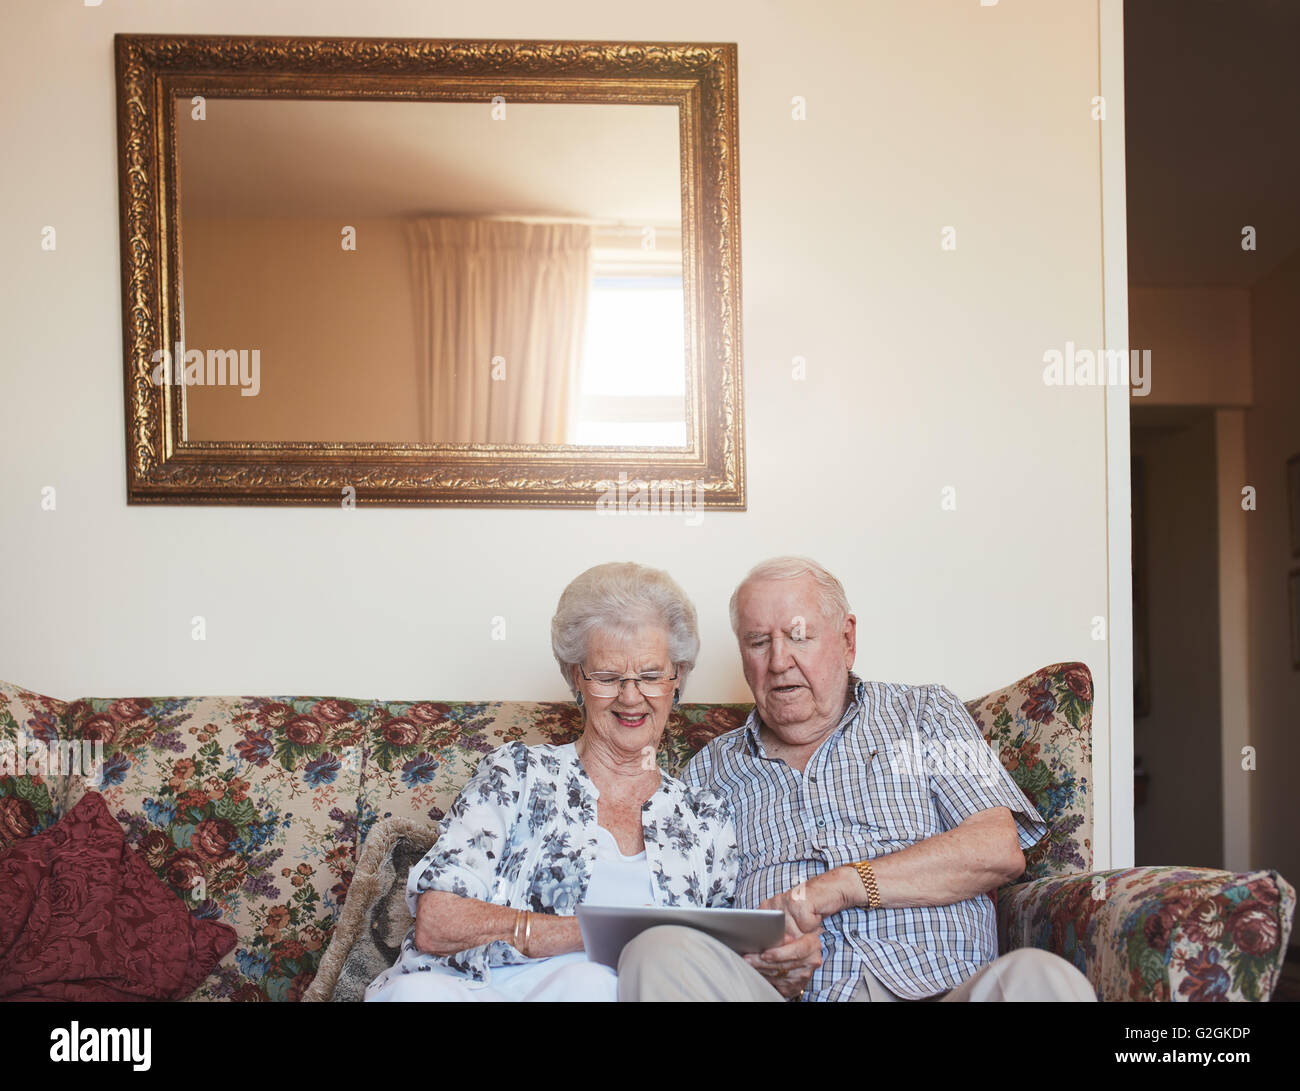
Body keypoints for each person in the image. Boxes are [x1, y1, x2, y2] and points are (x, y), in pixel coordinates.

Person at [616, 556, 1096, 1002]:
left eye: (799, 635)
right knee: (658, 952)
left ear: (847, 640)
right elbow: (697, 915)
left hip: (943, 989)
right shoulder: (708, 771)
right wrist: (762, 963)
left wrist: (842, 885)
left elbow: (996, 848)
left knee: (1041, 980)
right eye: (759, 641)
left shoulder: (926, 714)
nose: (779, 660)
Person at [365, 561, 737, 1002]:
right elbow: (437, 922)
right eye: (607, 676)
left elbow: (723, 963)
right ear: (575, 678)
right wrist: (586, 933)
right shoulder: (517, 774)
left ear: (677, 681)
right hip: (471, 989)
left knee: (592, 984)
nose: (631, 695)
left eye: (651, 676)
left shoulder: (703, 819)